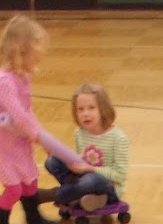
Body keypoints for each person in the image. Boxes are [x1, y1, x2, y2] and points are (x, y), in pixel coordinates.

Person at [0, 15, 89, 224]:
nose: (41, 57)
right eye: (38, 52)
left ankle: (32, 216)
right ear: (22, 49)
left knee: (30, 181)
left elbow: (27, 111)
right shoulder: (3, 81)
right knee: (14, 188)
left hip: (18, 139)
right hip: (1, 143)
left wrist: (40, 135)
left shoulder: (23, 77)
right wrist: (39, 136)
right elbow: (18, 114)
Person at [44, 81, 129, 210]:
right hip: (83, 178)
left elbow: (120, 175)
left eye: (91, 108)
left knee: (91, 180)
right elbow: (80, 159)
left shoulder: (118, 138)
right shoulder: (79, 133)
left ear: (103, 109)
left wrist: (90, 168)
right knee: (52, 161)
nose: (85, 114)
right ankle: (80, 196)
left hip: (107, 187)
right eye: (80, 109)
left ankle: (57, 194)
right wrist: (64, 158)